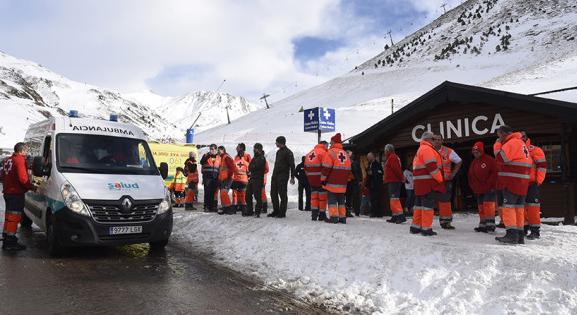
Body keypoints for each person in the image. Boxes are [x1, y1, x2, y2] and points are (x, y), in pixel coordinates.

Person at [493, 125, 532, 244]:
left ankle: (511, 235)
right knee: (519, 209)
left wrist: (497, 145)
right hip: (522, 183)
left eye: (498, 135)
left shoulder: (511, 143)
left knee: (508, 208)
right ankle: (519, 236)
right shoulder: (521, 143)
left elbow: (500, 157)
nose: (498, 138)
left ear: (504, 134)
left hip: (511, 182)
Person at [1, 142, 35, 251]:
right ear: (22, 151)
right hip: (15, 193)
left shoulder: (8, 160)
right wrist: (32, 187)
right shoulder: (20, 160)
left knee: (9, 216)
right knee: (14, 217)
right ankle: (10, 242)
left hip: (7, 192)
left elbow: (2, 175)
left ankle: (6, 236)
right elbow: (23, 179)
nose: (26, 153)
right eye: (26, 151)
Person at [411, 131, 445, 236]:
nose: (435, 141)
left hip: (420, 184)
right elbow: (432, 167)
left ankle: (415, 227)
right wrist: (440, 179)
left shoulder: (420, 149)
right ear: (428, 140)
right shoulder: (427, 149)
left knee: (419, 206)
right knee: (427, 206)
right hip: (428, 183)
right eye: (433, 139)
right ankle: (426, 229)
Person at [432, 135, 462, 229]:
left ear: (442, 140)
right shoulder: (429, 150)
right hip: (432, 180)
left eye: (439, 139)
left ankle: (446, 222)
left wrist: (453, 173)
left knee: (445, 201)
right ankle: (426, 223)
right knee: (429, 200)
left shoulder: (448, 151)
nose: (437, 141)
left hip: (445, 181)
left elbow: (459, 161)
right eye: (435, 139)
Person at [321, 133, 352, 224]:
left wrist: (323, 180)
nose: (330, 143)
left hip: (332, 182)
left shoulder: (331, 152)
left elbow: (326, 168)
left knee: (332, 201)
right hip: (343, 183)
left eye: (331, 141)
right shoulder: (345, 154)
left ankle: (333, 217)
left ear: (334, 141)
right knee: (341, 201)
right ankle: (343, 218)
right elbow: (349, 169)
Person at [468, 141, 497, 232]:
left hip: (489, 188)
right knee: (481, 207)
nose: (475, 154)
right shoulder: (474, 162)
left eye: (477, 152)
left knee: (488, 206)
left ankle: (490, 225)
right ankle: (483, 224)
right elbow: (470, 175)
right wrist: (473, 186)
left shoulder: (489, 160)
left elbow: (495, 173)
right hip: (479, 189)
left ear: (481, 151)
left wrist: (490, 184)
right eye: (474, 152)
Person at [522, 131, 546, 240]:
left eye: (522, 136)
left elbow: (542, 166)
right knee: (522, 208)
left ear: (526, 137)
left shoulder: (535, 150)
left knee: (533, 208)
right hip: (520, 184)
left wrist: (538, 181)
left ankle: (535, 231)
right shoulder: (516, 150)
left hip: (532, 184)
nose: (521, 138)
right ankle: (524, 228)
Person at [268, 136, 295, 218]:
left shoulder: (288, 152)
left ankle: (282, 212)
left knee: (282, 194)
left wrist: (292, 177)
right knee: (273, 193)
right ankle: (276, 211)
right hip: (275, 175)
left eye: (276, 142)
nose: (275, 143)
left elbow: (292, 165)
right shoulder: (278, 152)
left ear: (280, 142)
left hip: (283, 176)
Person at [305, 141, 329, 221]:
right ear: (324, 145)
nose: (327, 147)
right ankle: (322, 215)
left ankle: (314, 215)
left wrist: (310, 177)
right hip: (321, 180)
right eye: (327, 146)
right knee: (322, 198)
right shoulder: (324, 153)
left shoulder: (310, 153)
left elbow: (306, 168)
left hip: (311, 180)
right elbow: (326, 167)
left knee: (314, 198)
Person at [384, 144, 406, 224]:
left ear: (388, 150)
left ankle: (400, 216)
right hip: (393, 181)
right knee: (393, 199)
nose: (384, 152)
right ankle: (395, 216)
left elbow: (397, 169)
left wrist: (401, 178)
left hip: (394, 181)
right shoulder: (392, 157)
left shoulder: (392, 157)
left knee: (394, 199)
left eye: (385, 150)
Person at [246, 143, 267, 218]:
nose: (253, 150)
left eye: (255, 148)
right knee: (248, 195)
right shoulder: (254, 158)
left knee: (257, 196)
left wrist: (253, 167)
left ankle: (257, 212)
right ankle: (249, 210)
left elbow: (256, 166)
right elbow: (250, 167)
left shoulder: (262, 158)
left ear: (259, 149)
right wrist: (253, 167)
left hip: (258, 179)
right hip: (252, 178)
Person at [200, 144, 221, 212]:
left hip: (215, 177)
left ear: (216, 149)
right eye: (211, 149)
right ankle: (206, 206)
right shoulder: (206, 155)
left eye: (213, 149)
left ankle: (213, 207)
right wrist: (208, 155)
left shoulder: (219, 157)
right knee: (207, 192)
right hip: (207, 177)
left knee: (213, 192)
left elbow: (220, 167)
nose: (212, 150)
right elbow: (202, 162)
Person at [232, 143, 252, 214]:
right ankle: (237, 206)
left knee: (243, 194)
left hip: (244, 178)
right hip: (238, 178)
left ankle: (243, 207)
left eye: (237, 147)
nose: (236, 148)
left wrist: (249, 177)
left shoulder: (247, 156)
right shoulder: (236, 157)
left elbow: (250, 166)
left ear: (241, 148)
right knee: (236, 194)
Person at [217, 146, 236, 215]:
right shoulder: (222, 158)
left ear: (223, 150)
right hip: (223, 179)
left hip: (227, 178)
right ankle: (225, 208)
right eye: (218, 150)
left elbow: (232, 168)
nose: (218, 151)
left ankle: (228, 208)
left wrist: (229, 177)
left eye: (219, 150)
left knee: (224, 192)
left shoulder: (226, 157)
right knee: (222, 193)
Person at [366, 152, 384, 217]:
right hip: (371, 184)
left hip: (377, 184)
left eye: (369, 156)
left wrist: (373, 173)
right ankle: (373, 212)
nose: (368, 158)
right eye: (367, 157)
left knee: (377, 199)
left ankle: (378, 213)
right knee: (372, 199)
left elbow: (381, 172)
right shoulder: (369, 164)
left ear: (372, 156)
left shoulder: (378, 164)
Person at [346, 151, 362, 217]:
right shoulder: (348, 163)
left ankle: (356, 211)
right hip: (350, 182)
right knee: (349, 197)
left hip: (353, 182)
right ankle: (349, 211)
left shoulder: (354, 163)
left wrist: (360, 180)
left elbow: (359, 172)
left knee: (354, 197)